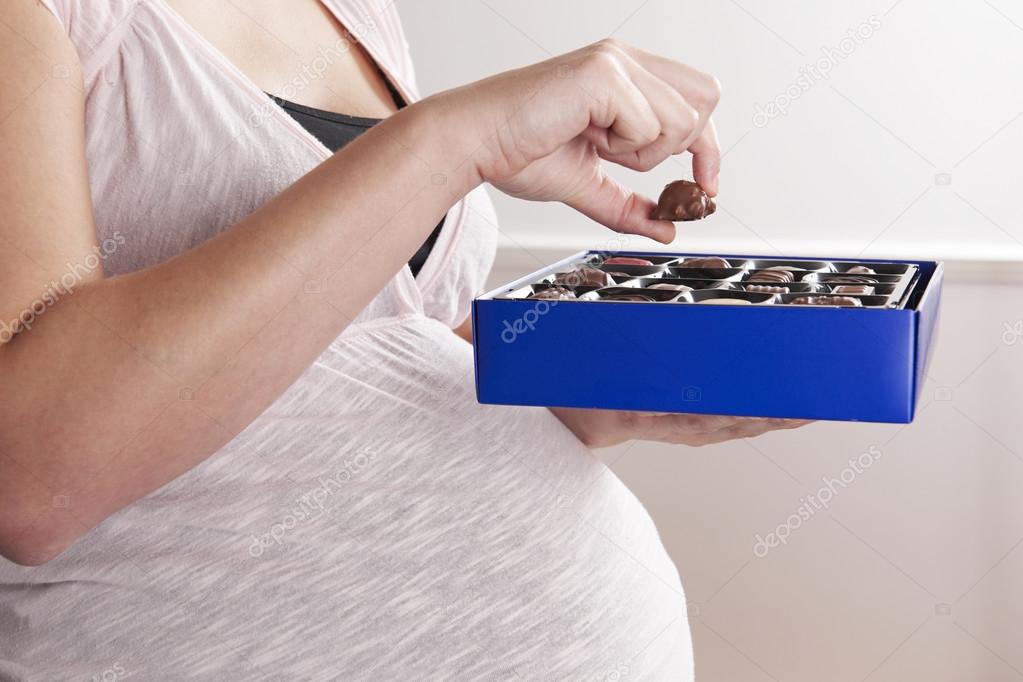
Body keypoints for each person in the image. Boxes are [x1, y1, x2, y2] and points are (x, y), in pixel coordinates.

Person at [0, 0, 802, 678]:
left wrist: (588, 394)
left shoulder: (352, 13)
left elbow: (376, 342)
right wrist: (455, 138)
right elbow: (31, 478)